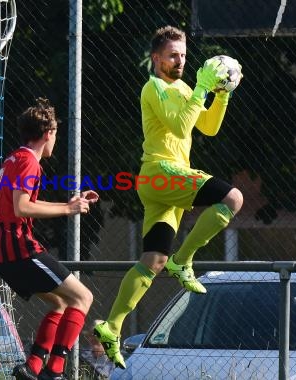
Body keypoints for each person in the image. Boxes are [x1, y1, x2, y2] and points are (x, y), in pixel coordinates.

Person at [94, 25, 244, 369]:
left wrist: (221, 94)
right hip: (162, 173)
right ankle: (185, 260)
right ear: (156, 58)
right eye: (173, 55)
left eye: (184, 56)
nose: (180, 61)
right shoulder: (155, 86)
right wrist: (203, 88)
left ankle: (111, 325)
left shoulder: (184, 87)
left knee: (153, 260)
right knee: (233, 198)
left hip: (165, 186)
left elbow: (207, 127)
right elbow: (179, 126)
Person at [0, 98, 97, 380]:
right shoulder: (28, 162)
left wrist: (69, 203)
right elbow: (21, 207)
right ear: (48, 133)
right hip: (18, 248)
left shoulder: (14, 158)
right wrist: (68, 208)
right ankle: (55, 371)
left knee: (61, 304)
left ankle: (33, 367)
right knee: (83, 297)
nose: (55, 140)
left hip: (2, 251)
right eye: (56, 134)